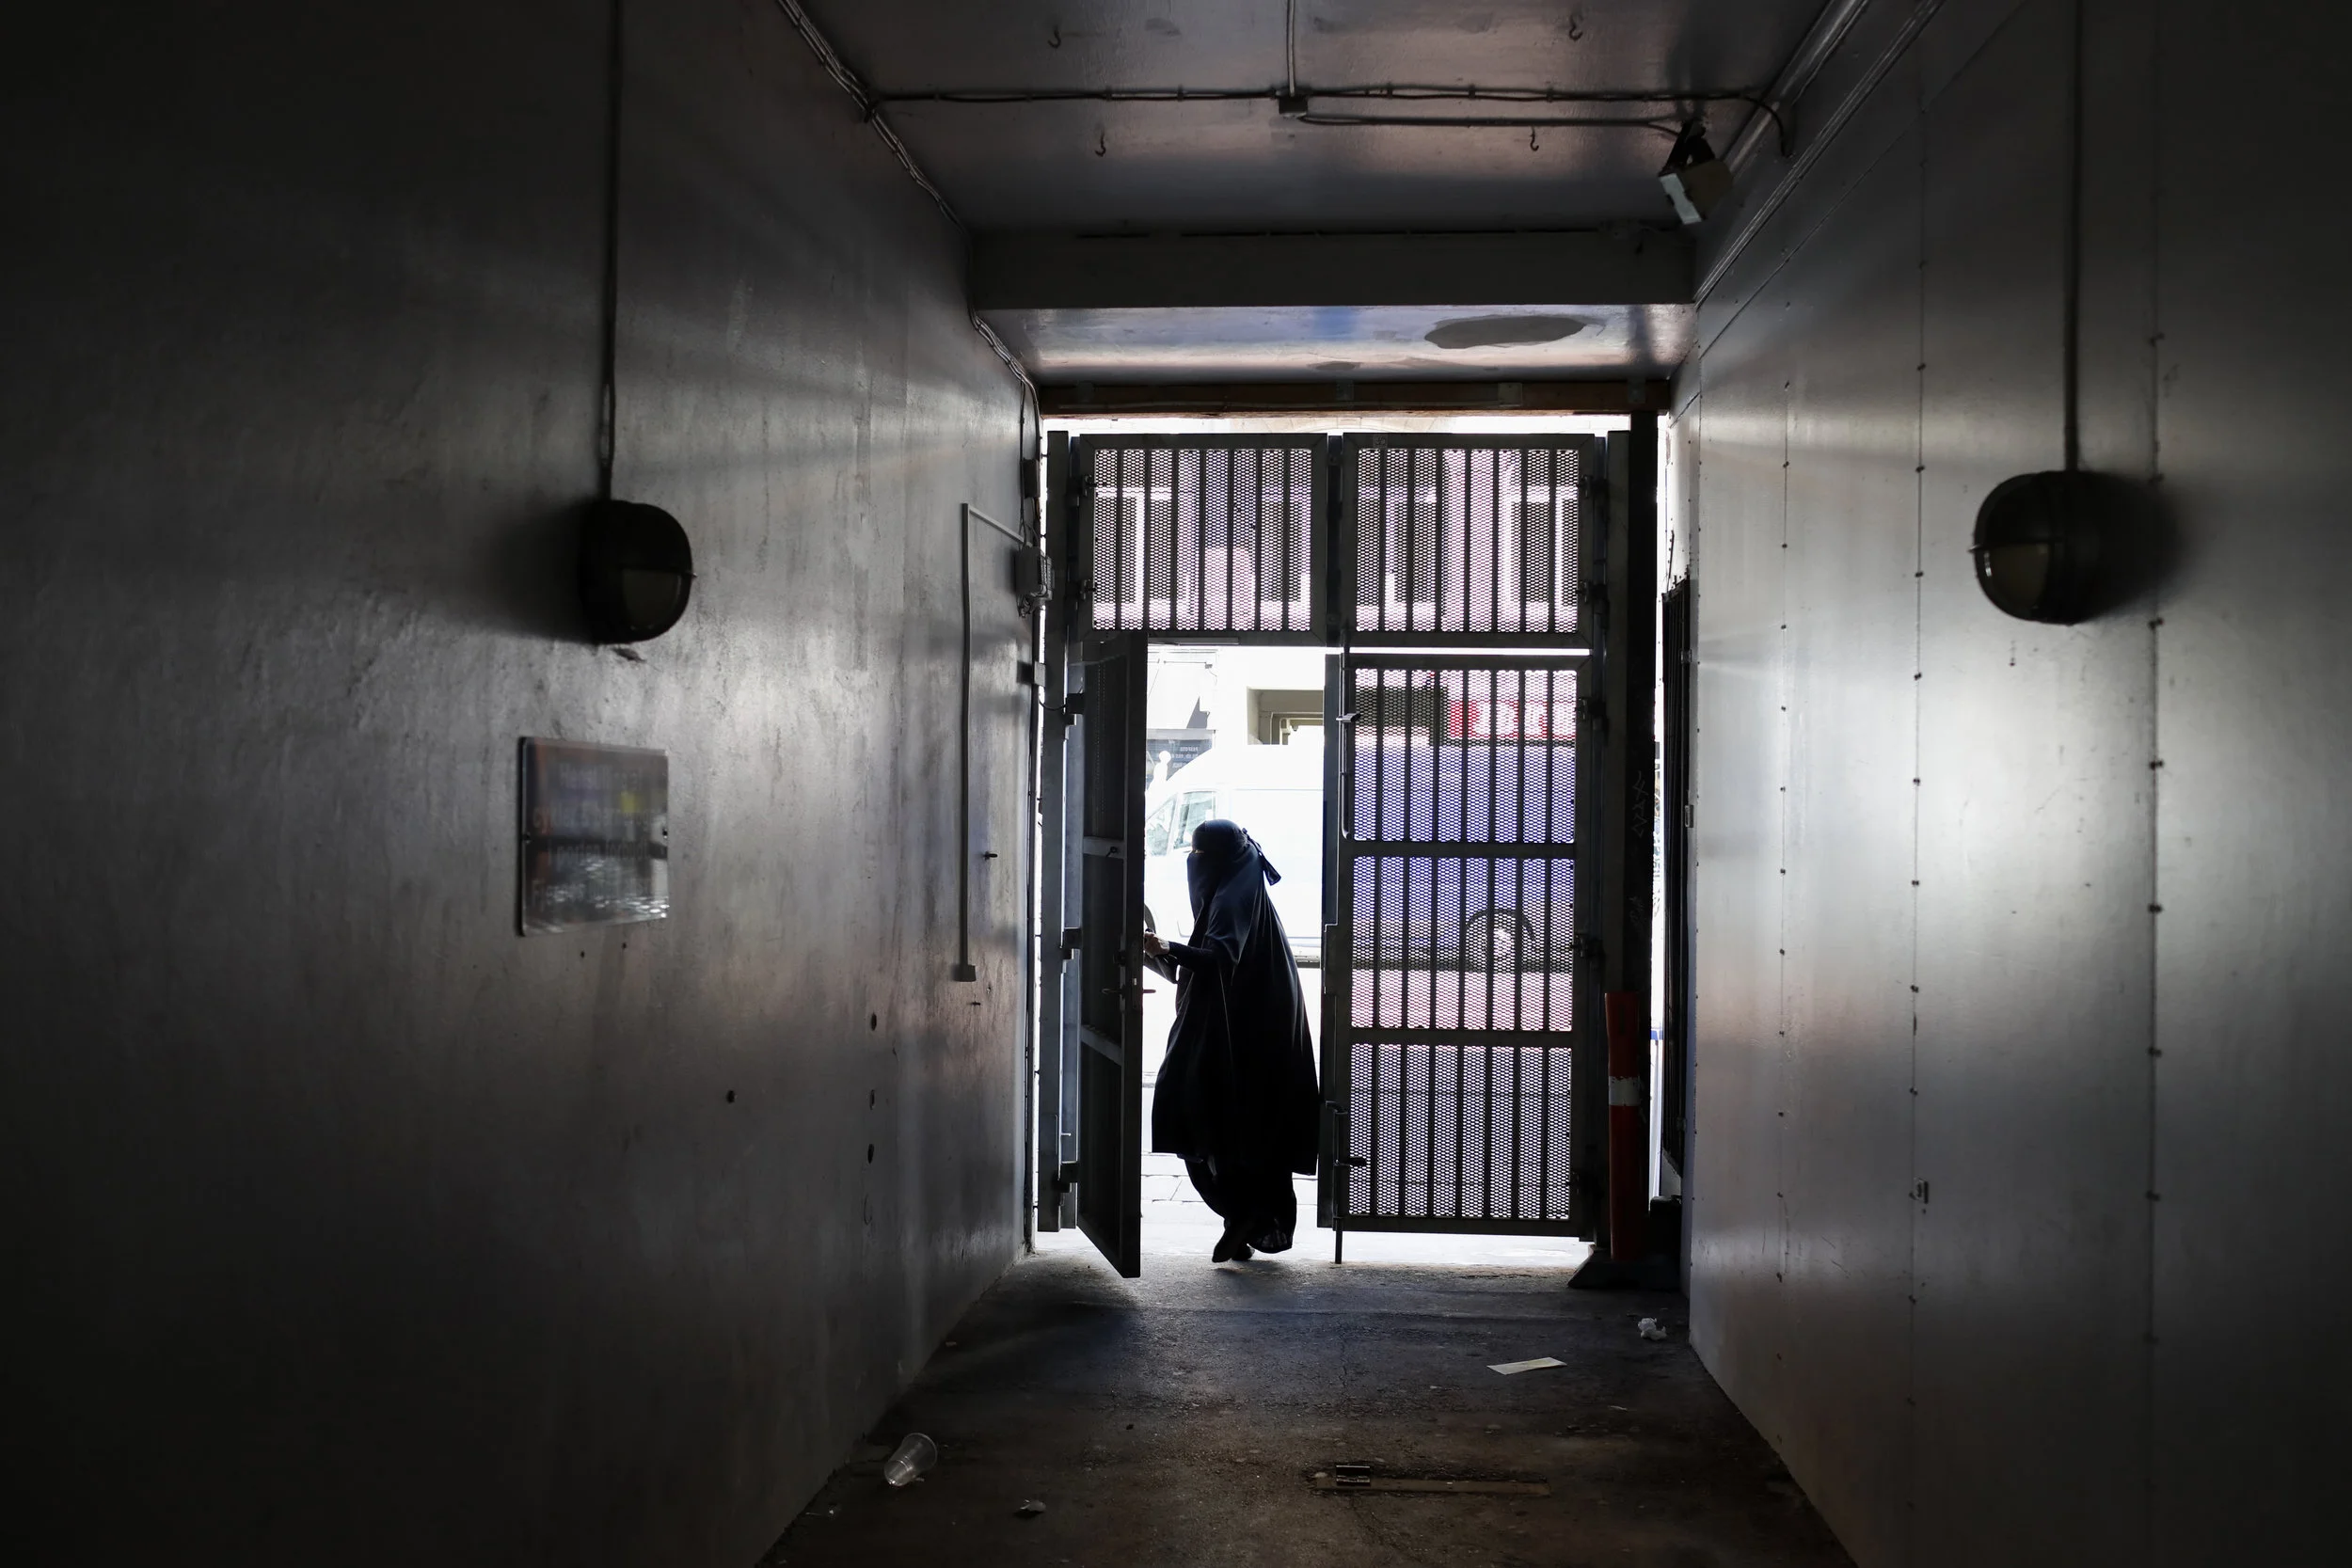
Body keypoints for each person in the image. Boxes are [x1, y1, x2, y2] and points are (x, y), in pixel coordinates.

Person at [1140, 818, 1320, 1262]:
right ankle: (1246, 1218)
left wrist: (1167, 947)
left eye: (1201, 858)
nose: (1194, 866)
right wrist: (1158, 953)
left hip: (1247, 1041)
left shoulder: (1235, 898)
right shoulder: (1236, 890)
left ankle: (1245, 1215)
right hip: (1247, 1036)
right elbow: (1199, 968)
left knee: (1209, 1119)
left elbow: (1219, 957)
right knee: (1236, 1128)